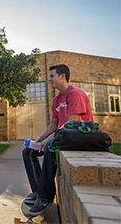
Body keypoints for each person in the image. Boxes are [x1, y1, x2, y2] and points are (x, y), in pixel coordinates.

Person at [22, 64, 93, 216]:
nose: (49, 79)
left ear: (62, 76)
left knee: (49, 147)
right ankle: (38, 191)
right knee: (28, 152)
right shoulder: (56, 100)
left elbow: (70, 125)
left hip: (79, 136)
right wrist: (39, 139)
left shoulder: (76, 94)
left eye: (52, 76)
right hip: (65, 135)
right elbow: (54, 124)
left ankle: (45, 196)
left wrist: (47, 141)